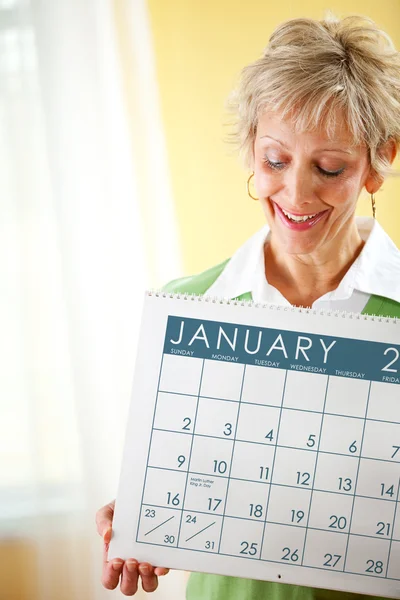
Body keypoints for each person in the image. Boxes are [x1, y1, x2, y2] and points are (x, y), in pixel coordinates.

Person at [96, 12, 400, 598]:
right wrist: (139, 518)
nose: (296, 193)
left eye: (329, 167)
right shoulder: (188, 307)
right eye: (275, 161)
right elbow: (186, 489)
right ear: (251, 152)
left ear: (377, 164)